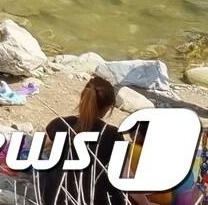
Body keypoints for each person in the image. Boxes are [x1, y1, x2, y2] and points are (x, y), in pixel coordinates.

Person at [37, 76, 149, 205]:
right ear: (108, 108)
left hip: (56, 200)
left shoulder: (59, 124)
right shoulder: (112, 135)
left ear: (82, 98)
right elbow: (126, 180)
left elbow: (34, 149)